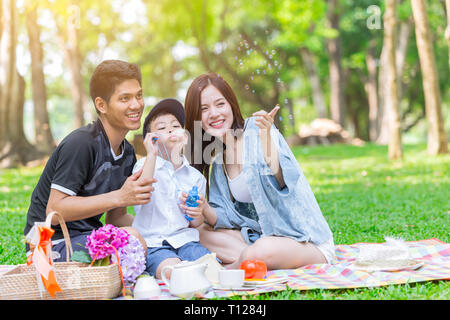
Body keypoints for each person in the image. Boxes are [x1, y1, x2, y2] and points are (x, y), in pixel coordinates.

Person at [184, 72, 335, 270]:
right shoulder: (219, 162)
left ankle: (232, 269)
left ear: (231, 105)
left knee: (259, 250)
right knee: (201, 233)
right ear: (197, 117)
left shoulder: (259, 131)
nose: (214, 114)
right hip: (261, 237)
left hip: (304, 241)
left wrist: (265, 139)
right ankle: (249, 262)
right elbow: (223, 218)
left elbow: (283, 179)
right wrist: (203, 208)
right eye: (204, 109)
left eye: (220, 104)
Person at [24, 60, 154, 261]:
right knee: (132, 241)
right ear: (101, 105)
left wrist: (159, 228)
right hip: (49, 245)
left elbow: (117, 217)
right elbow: (55, 208)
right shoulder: (82, 143)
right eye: (124, 98)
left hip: (87, 238)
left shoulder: (126, 152)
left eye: (138, 95)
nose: (136, 104)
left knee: (148, 238)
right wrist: (120, 196)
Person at [132, 98, 212, 279]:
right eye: (161, 128)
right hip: (154, 244)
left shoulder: (195, 177)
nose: (169, 129)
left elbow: (196, 223)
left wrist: (196, 212)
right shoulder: (143, 166)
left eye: (175, 125)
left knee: (210, 268)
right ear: (150, 139)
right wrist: (151, 154)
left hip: (187, 241)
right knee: (173, 272)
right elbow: (141, 193)